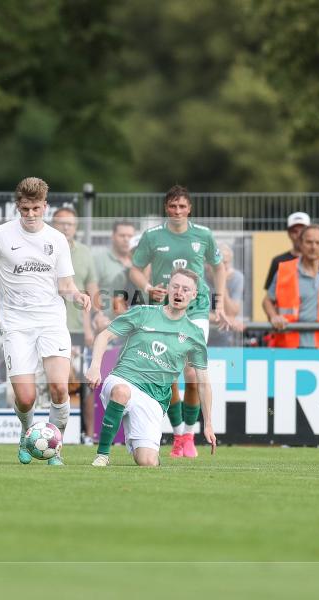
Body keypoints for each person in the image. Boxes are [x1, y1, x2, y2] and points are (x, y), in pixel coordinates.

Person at [0, 177, 91, 466]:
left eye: (36, 209)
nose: (30, 215)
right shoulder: (1, 235)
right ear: (18, 206)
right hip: (16, 325)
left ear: (45, 207)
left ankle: (56, 448)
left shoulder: (56, 239)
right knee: (26, 397)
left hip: (51, 320)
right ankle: (27, 434)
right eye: (25, 209)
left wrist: (77, 295)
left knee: (59, 388)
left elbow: (66, 283)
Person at [129, 185, 230, 458]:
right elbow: (135, 269)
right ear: (166, 208)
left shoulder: (203, 235)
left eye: (182, 207)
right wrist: (149, 288)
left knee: (192, 371)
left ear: (190, 209)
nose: (177, 211)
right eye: (173, 206)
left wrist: (218, 301)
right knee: (168, 372)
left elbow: (219, 268)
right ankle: (176, 435)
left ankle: (189, 434)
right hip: (164, 308)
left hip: (196, 308)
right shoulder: (152, 236)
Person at [86, 269, 216, 467]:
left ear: (193, 295)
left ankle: (144, 445)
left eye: (185, 289)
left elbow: (204, 383)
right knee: (121, 392)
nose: (179, 292)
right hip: (123, 379)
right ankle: (102, 454)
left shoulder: (194, 334)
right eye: (175, 286)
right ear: (167, 289)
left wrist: (208, 423)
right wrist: (95, 367)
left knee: (147, 462)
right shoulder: (143, 312)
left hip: (154, 398)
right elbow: (104, 336)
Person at [263, 224, 319, 348]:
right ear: (300, 244)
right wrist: (274, 317)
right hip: (289, 344)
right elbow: (267, 300)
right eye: (309, 242)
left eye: (318, 243)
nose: (313, 247)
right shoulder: (285, 270)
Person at [52, 207, 99, 347]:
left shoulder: (85, 252)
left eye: (70, 224)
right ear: (53, 225)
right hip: (49, 325)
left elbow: (92, 288)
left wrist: (93, 321)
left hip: (78, 327)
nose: (66, 227)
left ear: (76, 227)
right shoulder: (43, 250)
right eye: (61, 223)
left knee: (77, 368)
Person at [93, 221, 136, 329]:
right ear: (113, 236)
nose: (126, 239)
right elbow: (92, 289)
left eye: (130, 236)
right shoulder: (99, 260)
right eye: (122, 235)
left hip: (134, 324)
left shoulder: (140, 263)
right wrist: (97, 314)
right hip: (106, 323)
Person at [262, 211, 311, 292]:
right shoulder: (279, 261)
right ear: (289, 233)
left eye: (302, 231)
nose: (299, 235)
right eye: (294, 231)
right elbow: (270, 295)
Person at [208, 242, 245, 346]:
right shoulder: (198, 276)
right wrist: (225, 319)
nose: (221, 267)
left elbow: (232, 313)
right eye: (218, 262)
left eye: (226, 263)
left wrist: (221, 284)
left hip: (222, 337)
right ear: (207, 263)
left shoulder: (236, 278)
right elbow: (194, 312)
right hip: (198, 334)